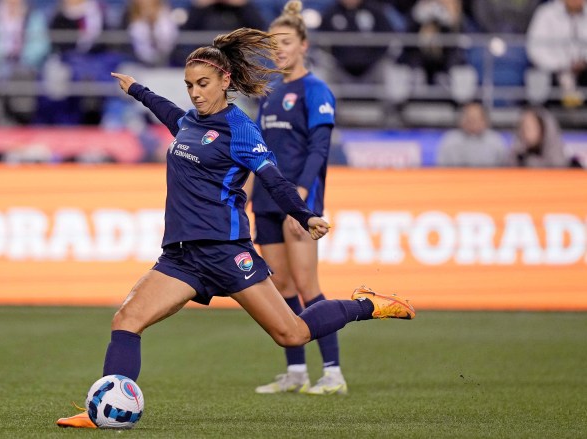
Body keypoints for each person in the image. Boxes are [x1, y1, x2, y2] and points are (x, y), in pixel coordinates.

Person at [55, 27, 416, 429]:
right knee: (126, 319)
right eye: (189, 85)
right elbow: (169, 112)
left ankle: (366, 304)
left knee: (292, 334)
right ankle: (103, 412)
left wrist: (304, 214)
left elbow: (274, 179)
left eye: (203, 84)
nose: (195, 93)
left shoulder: (241, 131)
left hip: (227, 253)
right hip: (181, 257)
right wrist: (137, 89)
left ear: (225, 81)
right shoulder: (190, 122)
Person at [248, 1, 346, 397]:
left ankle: (334, 372)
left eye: (285, 42)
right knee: (282, 285)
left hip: (299, 203)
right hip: (267, 201)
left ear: (303, 44)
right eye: (273, 43)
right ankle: (296, 370)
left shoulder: (315, 90)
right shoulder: (269, 94)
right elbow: (256, 149)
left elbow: (319, 149)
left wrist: (301, 202)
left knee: (309, 286)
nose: (278, 49)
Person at [526, 0, 587, 107]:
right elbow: (535, 50)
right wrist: (563, 65)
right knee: (539, 80)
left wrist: (582, 62)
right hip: (554, 73)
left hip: (583, 73)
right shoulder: (546, 13)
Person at [436, 101, 508, 167]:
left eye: (476, 119)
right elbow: (440, 167)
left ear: (485, 121)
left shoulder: (495, 141)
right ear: (461, 120)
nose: (472, 123)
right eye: (469, 119)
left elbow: (505, 168)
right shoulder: (450, 140)